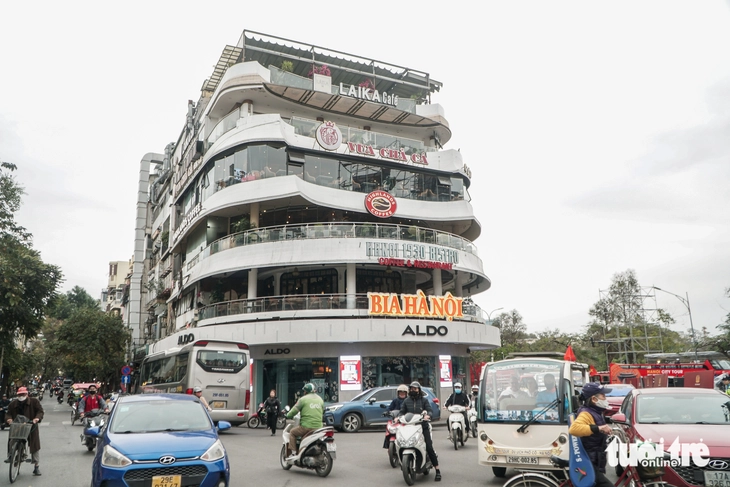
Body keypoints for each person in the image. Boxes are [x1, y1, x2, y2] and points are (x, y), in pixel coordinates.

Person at [568, 382, 614, 487]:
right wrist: (598, 428)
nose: (605, 398)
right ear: (594, 399)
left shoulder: (596, 411)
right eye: (603, 395)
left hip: (595, 459)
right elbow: (574, 429)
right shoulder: (586, 413)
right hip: (588, 461)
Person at [399, 381, 441, 481]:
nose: (413, 390)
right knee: (402, 442)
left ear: (419, 390)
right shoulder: (406, 401)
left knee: (429, 447)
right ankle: (404, 464)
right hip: (409, 426)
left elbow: (430, 410)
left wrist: (428, 415)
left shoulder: (424, 400)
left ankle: (437, 470)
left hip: (423, 426)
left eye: (415, 389)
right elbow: (401, 412)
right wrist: (398, 417)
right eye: (412, 389)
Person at [5, 387, 44, 476]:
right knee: (12, 440)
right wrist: (9, 419)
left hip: (30, 426)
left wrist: (36, 418)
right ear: (17, 395)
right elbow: (8, 413)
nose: (21, 396)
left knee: (35, 445)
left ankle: (36, 466)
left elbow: (40, 411)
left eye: (23, 394)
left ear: (27, 394)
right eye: (20, 394)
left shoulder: (34, 402)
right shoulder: (13, 404)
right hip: (18, 426)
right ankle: (12, 456)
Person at [285, 383, 324, 460]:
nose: (303, 392)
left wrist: (287, 415)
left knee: (292, 432)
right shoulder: (320, 399)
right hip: (319, 427)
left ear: (306, 391)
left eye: (304, 391)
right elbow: (322, 411)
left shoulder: (302, 400)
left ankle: (293, 453)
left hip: (307, 427)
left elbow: (293, 411)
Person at [383, 384, 408, 449]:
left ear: (406, 393)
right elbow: (390, 408)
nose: (402, 394)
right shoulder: (395, 400)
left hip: (406, 420)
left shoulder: (408, 400)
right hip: (396, 420)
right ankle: (388, 445)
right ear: (398, 393)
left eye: (403, 392)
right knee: (389, 430)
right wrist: (387, 412)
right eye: (400, 392)